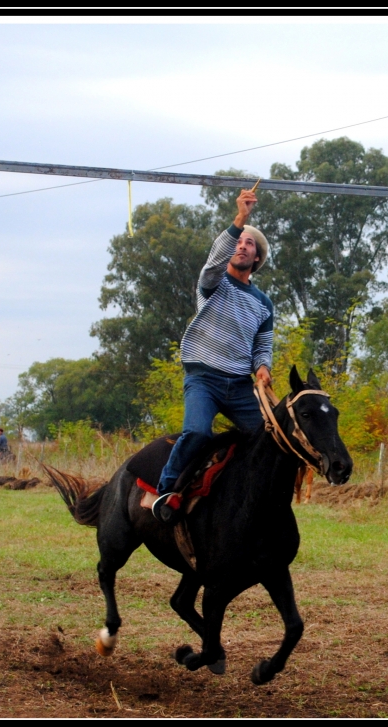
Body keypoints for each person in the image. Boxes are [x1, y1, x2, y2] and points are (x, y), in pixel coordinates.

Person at [152, 187, 273, 524]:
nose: (242, 245)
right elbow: (214, 260)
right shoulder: (213, 283)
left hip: (239, 384)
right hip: (203, 378)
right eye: (238, 242)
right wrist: (240, 219)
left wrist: (263, 367)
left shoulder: (264, 304)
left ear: (257, 259)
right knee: (198, 433)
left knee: (268, 435)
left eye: (249, 244)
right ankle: (166, 491)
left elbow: (263, 345)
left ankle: (249, 496)